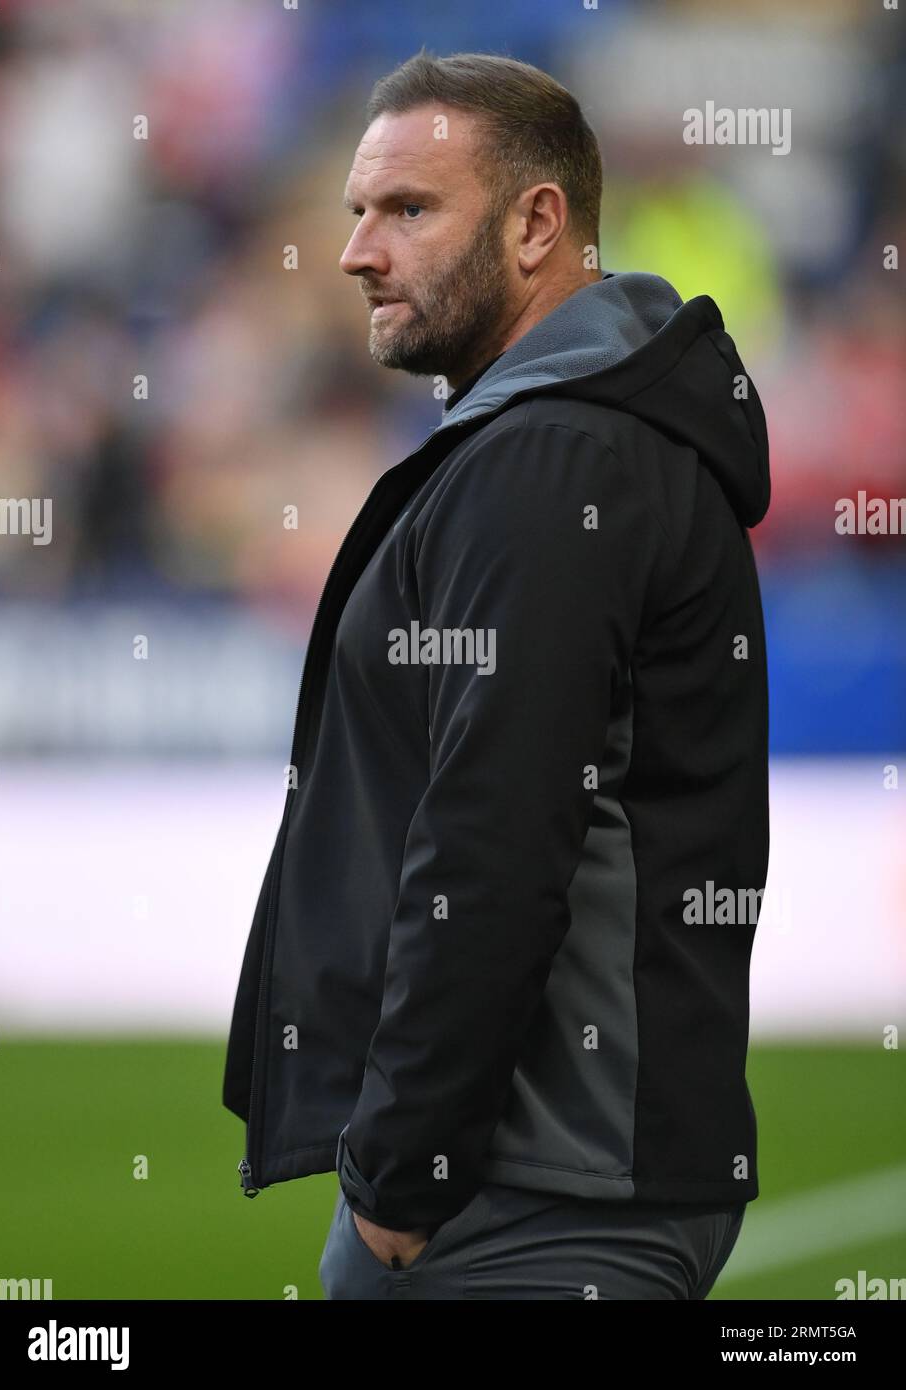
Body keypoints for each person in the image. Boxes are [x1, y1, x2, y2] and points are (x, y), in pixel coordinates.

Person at [222, 49, 770, 1300]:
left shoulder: (554, 458)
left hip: (529, 1196)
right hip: (555, 1174)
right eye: (355, 210)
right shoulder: (570, 438)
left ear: (537, 225)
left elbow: (495, 835)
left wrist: (398, 1187)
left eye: (407, 209)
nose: (358, 250)